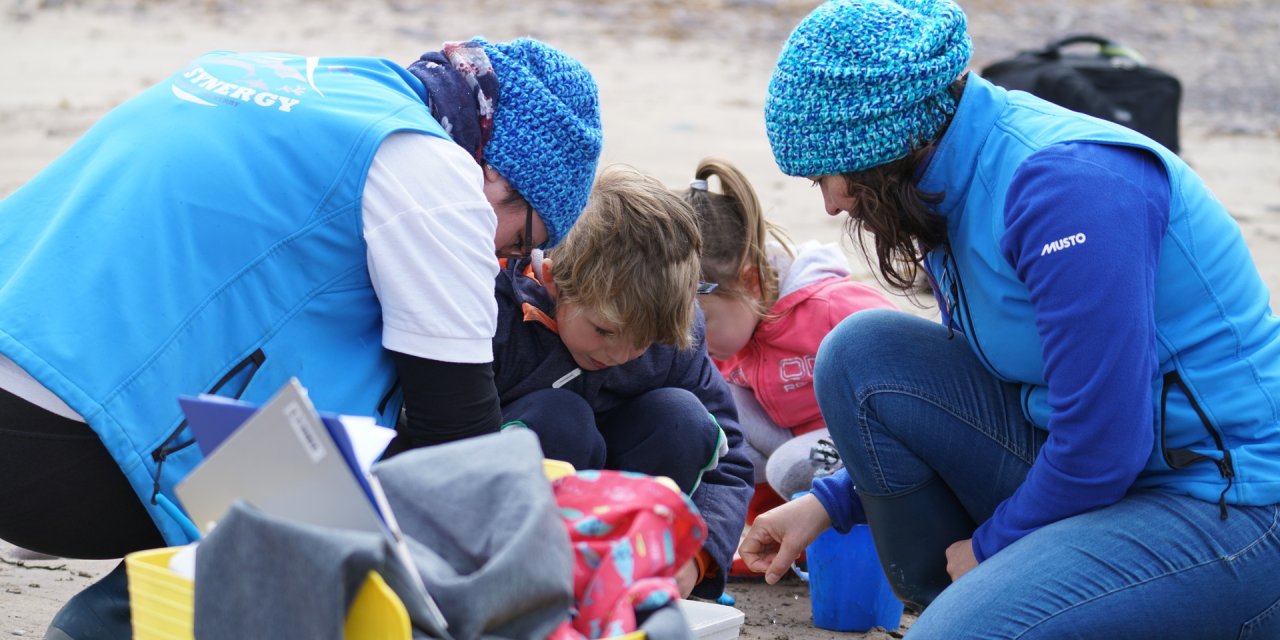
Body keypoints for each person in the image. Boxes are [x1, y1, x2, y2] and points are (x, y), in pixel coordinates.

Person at [0, 38, 602, 639]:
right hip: (65, 451)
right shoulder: (432, 172)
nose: (502, 262)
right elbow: (459, 448)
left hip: (33, 391)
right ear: (497, 174)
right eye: (519, 242)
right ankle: (111, 623)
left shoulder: (258, 71)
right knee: (358, 506)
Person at [738, 0, 1280, 637]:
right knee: (862, 353)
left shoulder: (1067, 189)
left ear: (893, 143)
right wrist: (829, 501)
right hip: (1109, 474)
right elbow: (998, 389)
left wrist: (992, 546)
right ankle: (994, 604)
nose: (833, 203)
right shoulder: (944, 177)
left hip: (1226, 505)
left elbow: (1103, 444)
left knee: (958, 634)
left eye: (838, 175)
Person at [491, 165, 754, 601]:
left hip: (625, 510)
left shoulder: (673, 334)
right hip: (512, 528)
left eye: (644, 340)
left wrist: (698, 557)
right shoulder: (498, 316)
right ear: (554, 281)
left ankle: (636, 568)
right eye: (604, 331)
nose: (620, 354)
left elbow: (728, 463)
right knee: (561, 419)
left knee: (683, 418)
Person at [682, 157, 898, 526]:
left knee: (787, 467)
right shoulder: (732, 334)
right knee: (707, 420)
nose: (690, 340)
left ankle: (840, 533)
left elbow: (909, 356)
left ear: (751, 282)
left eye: (701, 322)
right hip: (795, 440)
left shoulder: (828, 305)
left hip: (865, 439)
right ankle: (774, 531)